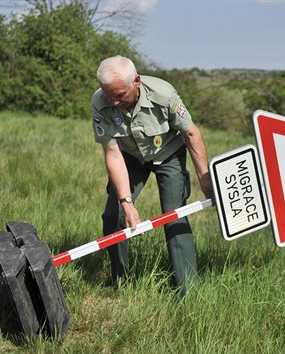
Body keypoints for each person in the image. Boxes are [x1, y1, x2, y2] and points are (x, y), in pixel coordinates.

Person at [91, 55, 212, 296]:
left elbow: (190, 134)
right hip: (130, 158)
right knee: (114, 216)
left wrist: (204, 178)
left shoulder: (164, 94)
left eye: (119, 95)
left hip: (168, 154)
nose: (113, 102)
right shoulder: (100, 102)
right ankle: (120, 284)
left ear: (136, 81)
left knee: (174, 215)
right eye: (108, 95)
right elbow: (112, 153)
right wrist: (127, 202)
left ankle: (188, 291)